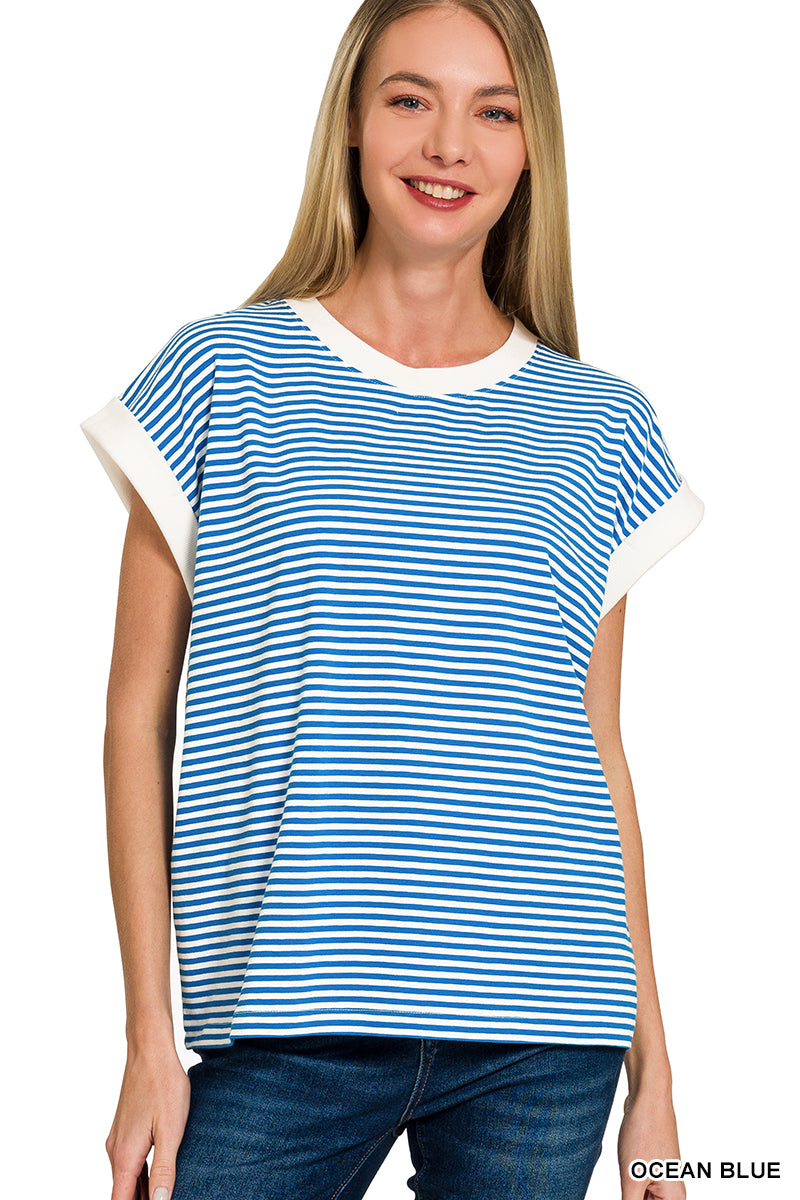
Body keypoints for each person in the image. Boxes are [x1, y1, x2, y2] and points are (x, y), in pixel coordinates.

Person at [79, 1, 704, 1198]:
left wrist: (656, 1078)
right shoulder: (222, 373)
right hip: (286, 1013)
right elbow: (133, 720)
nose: (447, 145)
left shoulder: (600, 425)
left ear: (531, 149)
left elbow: (594, 749)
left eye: (493, 112)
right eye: (410, 98)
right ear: (353, 125)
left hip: (546, 1027)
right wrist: (148, 1036)